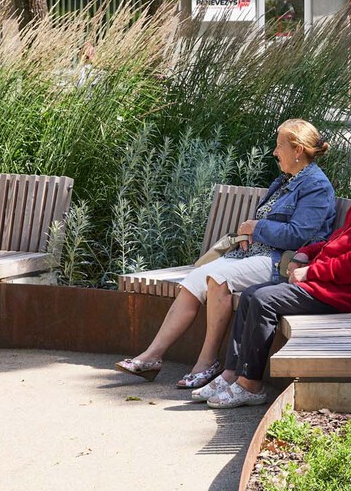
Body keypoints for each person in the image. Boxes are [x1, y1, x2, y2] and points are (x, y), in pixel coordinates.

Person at [195, 136, 351, 409]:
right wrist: (308, 252)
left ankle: (250, 385)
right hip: (334, 284)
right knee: (251, 295)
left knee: (263, 300)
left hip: (350, 293)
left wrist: (311, 272)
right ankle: (232, 374)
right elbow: (339, 239)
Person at [115, 119, 337, 387]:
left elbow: (299, 235)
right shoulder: (285, 182)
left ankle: (207, 362)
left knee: (218, 279)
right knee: (195, 279)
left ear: (298, 150)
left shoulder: (316, 186)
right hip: (255, 255)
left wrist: (257, 228)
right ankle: (153, 356)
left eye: (280, 146)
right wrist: (249, 234)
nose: (275, 152)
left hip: (281, 263)